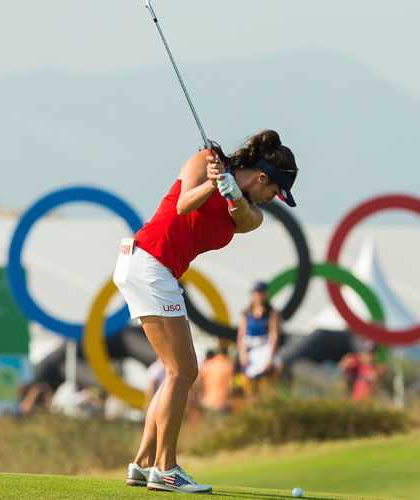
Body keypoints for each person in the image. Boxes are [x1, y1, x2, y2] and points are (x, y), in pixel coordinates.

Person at [114, 130, 298, 494]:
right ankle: (166, 470)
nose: (272, 199)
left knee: (174, 372)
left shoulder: (251, 210)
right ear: (263, 178)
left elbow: (246, 219)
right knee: (183, 370)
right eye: (274, 191)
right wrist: (215, 184)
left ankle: (143, 463)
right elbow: (183, 205)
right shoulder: (205, 163)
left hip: (150, 267)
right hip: (149, 260)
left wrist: (232, 192)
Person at [236, 282, 282, 396]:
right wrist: (242, 355)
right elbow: (241, 335)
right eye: (256, 293)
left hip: (264, 351)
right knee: (248, 388)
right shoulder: (247, 313)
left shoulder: (271, 313)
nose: (258, 296)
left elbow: (274, 334)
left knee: (265, 388)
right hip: (250, 353)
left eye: (261, 293)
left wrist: (270, 357)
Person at [196, 347, 234, 414]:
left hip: (206, 401)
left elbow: (198, 381)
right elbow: (229, 386)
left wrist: (201, 394)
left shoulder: (208, 364)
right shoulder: (227, 366)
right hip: (221, 402)